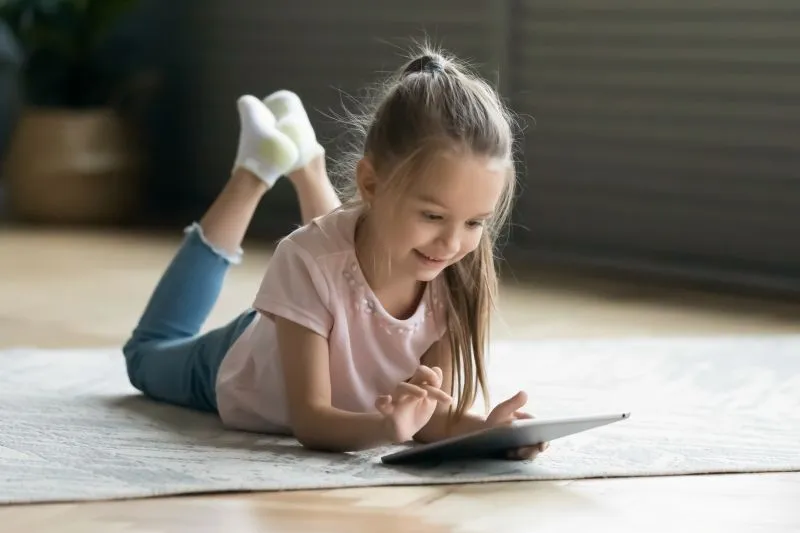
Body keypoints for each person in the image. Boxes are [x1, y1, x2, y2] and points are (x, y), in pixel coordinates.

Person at [122, 46, 548, 460]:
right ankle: (254, 170)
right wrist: (386, 428)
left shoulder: (456, 276)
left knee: (355, 247)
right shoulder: (305, 258)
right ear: (371, 184)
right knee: (145, 355)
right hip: (244, 360)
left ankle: (306, 163)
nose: (452, 245)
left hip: (324, 295)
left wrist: (490, 430)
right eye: (433, 216)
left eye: (475, 222)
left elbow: (432, 418)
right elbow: (311, 421)